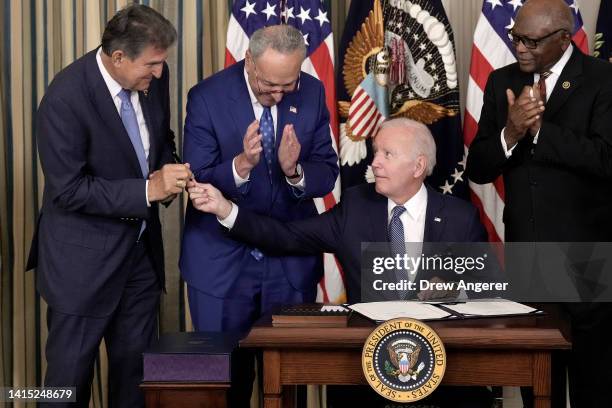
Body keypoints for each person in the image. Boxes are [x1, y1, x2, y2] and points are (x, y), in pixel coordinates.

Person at [188, 117, 492, 407]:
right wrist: (226, 209)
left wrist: (454, 288)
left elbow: (487, 286)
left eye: (388, 154)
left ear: (418, 166)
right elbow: (286, 235)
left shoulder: (459, 218)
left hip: (444, 363)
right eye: (375, 152)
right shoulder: (357, 207)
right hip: (367, 362)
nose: (374, 163)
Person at [26, 5, 191, 407]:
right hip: (81, 266)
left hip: (139, 260)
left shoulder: (156, 75)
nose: (158, 72)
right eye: (151, 64)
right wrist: (147, 191)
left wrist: (169, 167)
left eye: (161, 63)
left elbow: (160, 137)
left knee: (134, 381)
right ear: (118, 57)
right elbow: (68, 190)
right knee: (66, 386)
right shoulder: (64, 98)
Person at [179, 25, 338, 406]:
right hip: (222, 261)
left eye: (288, 84)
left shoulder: (313, 93)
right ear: (248, 61)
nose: (279, 93)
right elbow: (196, 178)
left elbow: (328, 170)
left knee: (287, 383)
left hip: (289, 261)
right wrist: (240, 165)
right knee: (225, 382)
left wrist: (295, 171)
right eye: (269, 84)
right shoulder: (207, 97)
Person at [465, 0, 612, 406]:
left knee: (594, 381)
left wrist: (542, 132)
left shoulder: (602, 79)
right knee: (538, 381)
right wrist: (509, 133)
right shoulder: (501, 82)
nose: (520, 48)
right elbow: (477, 168)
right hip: (529, 255)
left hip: (588, 257)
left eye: (530, 40)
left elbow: (606, 158)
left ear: (564, 39)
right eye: (515, 37)